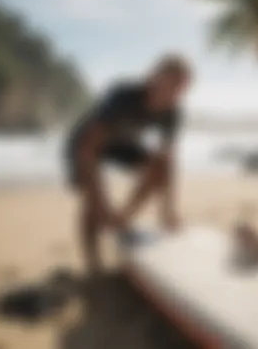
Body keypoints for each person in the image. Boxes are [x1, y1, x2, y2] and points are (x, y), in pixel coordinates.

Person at [65, 54, 192, 272]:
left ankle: (122, 220)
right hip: (85, 142)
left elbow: (167, 160)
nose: (174, 95)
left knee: (160, 167)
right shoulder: (124, 95)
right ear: (154, 78)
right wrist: (102, 203)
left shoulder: (173, 112)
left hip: (120, 144)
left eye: (181, 89)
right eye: (171, 86)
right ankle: (93, 263)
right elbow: (89, 149)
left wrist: (168, 211)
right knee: (93, 202)